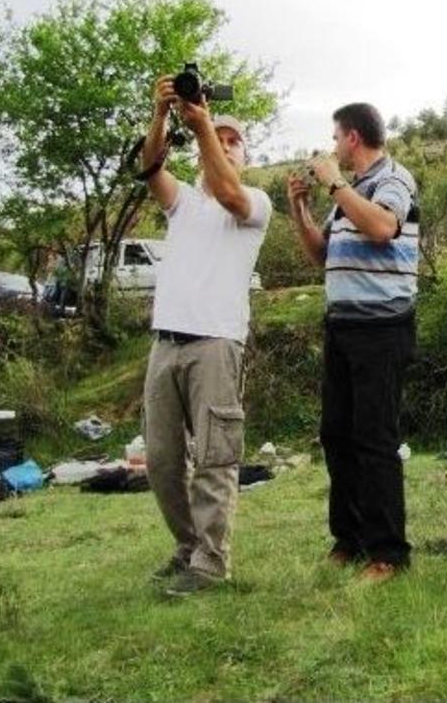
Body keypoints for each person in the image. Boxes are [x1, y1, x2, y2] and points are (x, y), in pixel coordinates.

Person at [140, 75, 271, 597]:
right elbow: (149, 169)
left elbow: (228, 190)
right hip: (165, 342)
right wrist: (160, 114)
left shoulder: (253, 202)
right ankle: (188, 547)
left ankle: (212, 563)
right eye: (220, 134)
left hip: (216, 342)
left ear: (244, 155)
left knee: (216, 457)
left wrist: (201, 131)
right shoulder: (184, 203)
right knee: (161, 460)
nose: (225, 141)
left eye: (234, 139)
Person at [287, 102, 419, 582]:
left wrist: (333, 183)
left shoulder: (392, 180)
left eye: (335, 138)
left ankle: (389, 552)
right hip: (341, 325)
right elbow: (320, 256)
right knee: (337, 434)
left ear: (353, 138)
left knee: (375, 439)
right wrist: (300, 207)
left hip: (382, 327)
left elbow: (384, 227)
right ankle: (350, 537)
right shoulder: (350, 194)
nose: (333, 147)